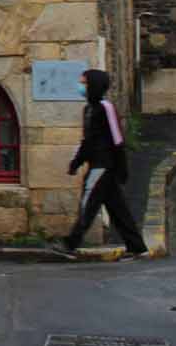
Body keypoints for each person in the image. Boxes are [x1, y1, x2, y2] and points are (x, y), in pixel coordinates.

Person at [62, 69, 148, 256]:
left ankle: (71, 243)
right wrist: (76, 162)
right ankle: (136, 246)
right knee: (118, 209)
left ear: (93, 85)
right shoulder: (88, 110)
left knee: (88, 202)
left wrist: (121, 167)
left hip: (104, 165)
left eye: (84, 83)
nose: (81, 86)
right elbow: (88, 141)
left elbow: (117, 139)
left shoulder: (105, 107)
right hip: (97, 164)